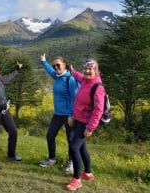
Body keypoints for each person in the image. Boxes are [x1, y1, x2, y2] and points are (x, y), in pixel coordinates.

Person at [66, 59, 105, 191]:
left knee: (74, 147)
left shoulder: (98, 87)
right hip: (78, 119)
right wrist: (71, 70)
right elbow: (79, 75)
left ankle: (77, 179)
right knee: (82, 148)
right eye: (86, 68)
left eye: (90, 69)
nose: (87, 71)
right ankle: (88, 173)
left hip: (85, 123)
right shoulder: (85, 80)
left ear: (96, 70)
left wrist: (90, 127)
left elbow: (98, 110)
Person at [38, 54, 79, 173]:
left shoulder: (70, 79)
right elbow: (50, 70)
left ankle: (71, 162)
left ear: (65, 65)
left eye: (58, 65)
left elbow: (75, 98)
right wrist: (44, 62)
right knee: (50, 136)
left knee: (71, 140)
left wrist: (72, 115)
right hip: (57, 114)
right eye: (54, 65)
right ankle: (51, 159)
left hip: (68, 115)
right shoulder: (57, 76)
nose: (55, 67)